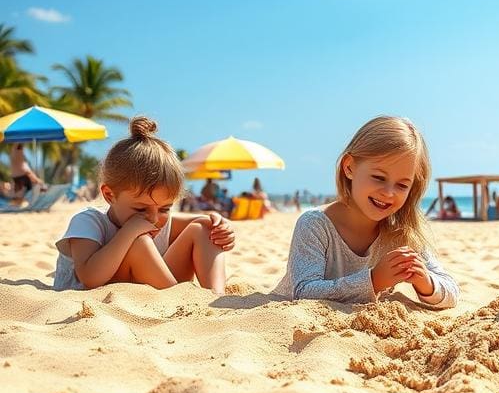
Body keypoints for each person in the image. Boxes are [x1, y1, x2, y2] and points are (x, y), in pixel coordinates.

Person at [274, 116, 459, 307]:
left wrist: (426, 283)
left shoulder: (402, 234)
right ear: (349, 167)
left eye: (402, 185)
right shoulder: (314, 225)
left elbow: (452, 292)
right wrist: (374, 280)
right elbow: (303, 291)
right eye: (378, 177)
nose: (388, 193)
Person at [53, 116, 235, 294]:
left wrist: (219, 225)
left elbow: (201, 223)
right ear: (109, 195)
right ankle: (178, 300)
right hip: (103, 294)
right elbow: (90, 278)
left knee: (204, 227)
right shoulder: (88, 221)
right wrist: (129, 232)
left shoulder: (157, 219)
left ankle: (214, 296)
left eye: (165, 208)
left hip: (154, 290)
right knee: (139, 242)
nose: (153, 218)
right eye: (140, 209)